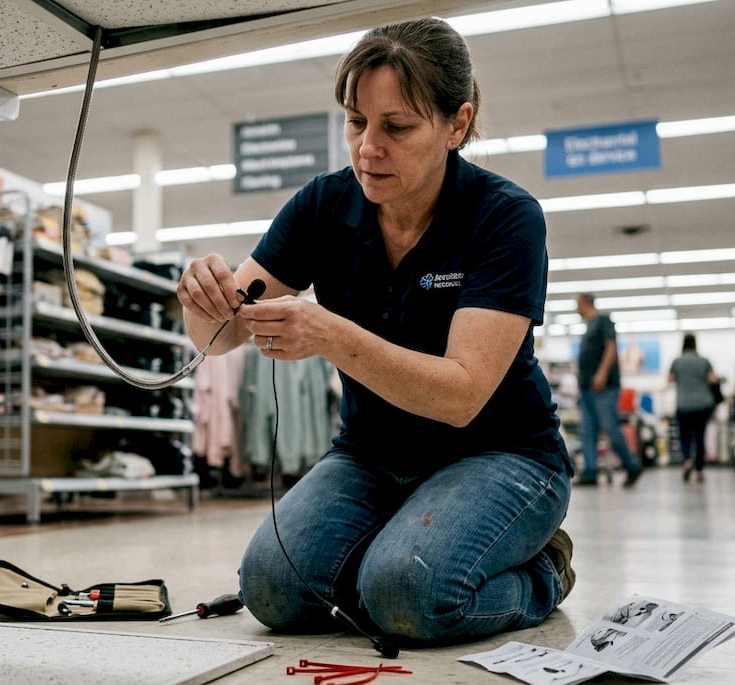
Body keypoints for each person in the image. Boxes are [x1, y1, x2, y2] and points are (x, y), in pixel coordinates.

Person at [177, 17, 574, 647]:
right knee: (271, 590)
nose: (368, 148)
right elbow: (221, 336)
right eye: (356, 122)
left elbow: (461, 395)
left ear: (457, 125)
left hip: (502, 455)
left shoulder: (505, 217)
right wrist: (202, 299)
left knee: (407, 595)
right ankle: (396, 549)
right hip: (369, 455)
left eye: (397, 127)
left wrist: (330, 335)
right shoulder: (323, 206)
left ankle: (544, 572)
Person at [574, 293, 643, 486]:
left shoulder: (603, 321)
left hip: (603, 387)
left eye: (577, 304)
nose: (576, 308)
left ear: (585, 303)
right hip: (587, 388)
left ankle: (632, 466)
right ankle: (590, 472)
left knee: (610, 427)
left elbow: (611, 347)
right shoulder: (588, 326)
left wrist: (602, 373)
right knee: (587, 431)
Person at [668, 333, 718, 482]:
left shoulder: (676, 362)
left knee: (685, 436)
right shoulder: (704, 361)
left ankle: (687, 461)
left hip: (683, 405)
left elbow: (670, 379)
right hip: (703, 405)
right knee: (700, 437)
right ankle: (700, 471)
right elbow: (713, 379)